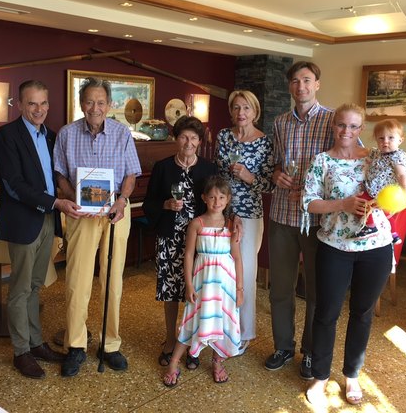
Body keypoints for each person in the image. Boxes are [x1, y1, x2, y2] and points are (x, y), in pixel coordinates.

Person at [302, 103, 393, 407]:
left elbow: (402, 192)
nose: (347, 131)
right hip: (334, 248)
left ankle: (352, 374)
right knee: (326, 314)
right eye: (341, 125)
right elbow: (309, 202)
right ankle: (320, 376)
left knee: (363, 314)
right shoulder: (321, 161)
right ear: (333, 126)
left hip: (375, 247)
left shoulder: (378, 158)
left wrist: (396, 201)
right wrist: (342, 204)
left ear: (361, 129)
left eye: (353, 126)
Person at [54, 77, 141, 377]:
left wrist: (122, 200)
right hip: (81, 214)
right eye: (90, 101)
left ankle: (109, 344)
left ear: (109, 105)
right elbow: (60, 175)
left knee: (113, 279)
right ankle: (76, 345)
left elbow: (131, 174)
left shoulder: (122, 133)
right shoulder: (66, 134)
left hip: (115, 212)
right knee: (77, 280)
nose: (95, 108)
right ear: (81, 104)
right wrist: (72, 198)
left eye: (101, 102)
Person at [0, 80, 67, 379]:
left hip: (48, 219)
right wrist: (54, 202)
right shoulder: (6, 136)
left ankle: (36, 343)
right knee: (20, 289)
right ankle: (21, 350)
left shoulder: (51, 135)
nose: (39, 109)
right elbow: (13, 184)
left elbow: (58, 174)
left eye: (43, 104)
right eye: (32, 104)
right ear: (20, 105)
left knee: (36, 285)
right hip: (25, 219)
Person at [266, 61, 335, 380]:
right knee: (280, 288)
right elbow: (275, 163)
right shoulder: (279, 123)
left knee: (316, 292)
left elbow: (348, 163)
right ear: (289, 87)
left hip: (317, 220)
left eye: (307, 80)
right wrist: (277, 173)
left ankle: (309, 352)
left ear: (317, 84)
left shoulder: (334, 121)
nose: (301, 87)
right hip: (282, 215)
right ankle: (283, 346)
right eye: (295, 81)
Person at [143, 116, 217, 371]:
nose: (189, 142)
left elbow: (216, 201)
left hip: (199, 241)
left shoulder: (208, 169)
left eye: (194, 138)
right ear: (177, 139)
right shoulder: (163, 167)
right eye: (184, 137)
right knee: (170, 292)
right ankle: (171, 340)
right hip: (169, 238)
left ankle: (192, 343)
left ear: (199, 141)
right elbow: (148, 204)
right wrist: (165, 204)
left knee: (195, 292)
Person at [162, 176, 243, 387]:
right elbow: (188, 255)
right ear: (204, 198)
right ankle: (174, 362)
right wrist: (188, 284)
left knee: (223, 322)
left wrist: (240, 289)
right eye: (212, 197)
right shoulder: (196, 224)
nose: (217, 201)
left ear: (228, 200)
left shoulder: (231, 226)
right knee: (192, 321)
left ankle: (217, 362)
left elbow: (237, 257)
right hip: (202, 283)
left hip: (225, 284)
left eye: (221, 197)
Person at [215, 90, 273, 354]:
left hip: (249, 216)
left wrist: (250, 177)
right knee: (222, 273)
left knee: (245, 274)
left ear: (255, 112)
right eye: (236, 108)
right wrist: (223, 210)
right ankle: (221, 325)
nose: (241, 113)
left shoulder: (264, 142)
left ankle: (244, 331)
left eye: (246, 108)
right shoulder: (223, 137)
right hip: (222, 213)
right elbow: (217, 176)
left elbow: (270, 184)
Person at [352, 118, 406, 242]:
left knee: (362, 204)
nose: (385, 142)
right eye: (381, 138)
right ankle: (393, 233)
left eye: (391, 138)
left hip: (388, 193)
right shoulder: (378, 153)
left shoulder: (397, 155)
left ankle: (370, 226)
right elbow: (366, 151)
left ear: (400, 140)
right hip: (377, 189)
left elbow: (402, 176)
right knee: (384, 214)